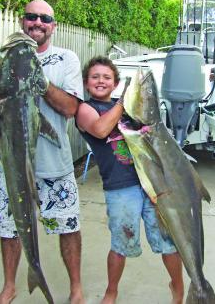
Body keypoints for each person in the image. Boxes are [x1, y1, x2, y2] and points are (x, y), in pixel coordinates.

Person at [0, 0, 85, 304]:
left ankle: (76, 288)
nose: (38, 23)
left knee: (68, 227)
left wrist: (39, 82)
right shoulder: (0, 57)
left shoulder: (66, 58)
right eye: (32, 17)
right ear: (22, 21)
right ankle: (9, 285)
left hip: (55, 166)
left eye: (45, 18)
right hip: (11, 167)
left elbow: (71, 107)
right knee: (9, 228)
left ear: (53, 26)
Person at [76, 56, 184, 304]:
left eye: (106, 77)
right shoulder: (85, 109)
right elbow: (101, 130)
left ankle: (177, 288)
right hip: (119, 187)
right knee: (120, 242)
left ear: (115, 83)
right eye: (95, 77)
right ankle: (111, 291)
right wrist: (125, 101)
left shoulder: (125, 106)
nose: (101, 81)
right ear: (86, 83)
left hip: (152, 182)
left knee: (167, 239)